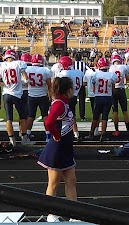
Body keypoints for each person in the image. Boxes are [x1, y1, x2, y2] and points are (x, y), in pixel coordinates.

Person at [37, 77, 78, 223]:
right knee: (53, 183)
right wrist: (56, 135)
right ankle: (51, 215)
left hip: (66, 149)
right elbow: (48, 122)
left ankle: (75, 215)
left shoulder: (64, 102)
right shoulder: (60, 104)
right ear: (68, 90)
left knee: (71, 181)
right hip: (57, 149)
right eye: (72, 87)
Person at [0, 49, 32, 146]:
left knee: (9, 118)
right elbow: (26, 79)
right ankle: (24, 138)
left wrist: (5, 85)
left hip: (6, 94)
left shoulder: (1, 65)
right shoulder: (19, 63)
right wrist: (22, 82)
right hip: (17, 94)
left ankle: (12, 140)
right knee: (22, 116)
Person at [88, 57, 117, 142]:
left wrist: (97, 93)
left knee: (95, 117)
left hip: (98, 97)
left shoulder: (95, 75)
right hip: (107, 97)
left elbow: (93, 89)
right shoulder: (112, 75)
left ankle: (91, 133)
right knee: (105, 117)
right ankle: (103, 135)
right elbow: (113, 88)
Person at [25, 54, 52, 142]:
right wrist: (50, 95)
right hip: (42, 95)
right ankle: (48, 135)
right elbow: (49, 85)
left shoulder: (27, 69)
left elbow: (25, 82)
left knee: (30, 116)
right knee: (45, 116)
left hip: (31, 95)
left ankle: (27, 135)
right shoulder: (45, 70)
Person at [56, 56, 84, 141]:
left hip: (66, 97)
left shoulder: (64, 74)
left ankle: (64, 133)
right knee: (71, 115)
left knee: (61, 116)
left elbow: (57, 84)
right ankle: (75, 133)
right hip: (74, 95)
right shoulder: (79, 72)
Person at [109, 54, 129, 137]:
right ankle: (128, 129)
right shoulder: (124, 67)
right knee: (125, 111)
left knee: (115, 111)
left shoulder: (111, 68)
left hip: (114, 90)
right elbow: (127, 78)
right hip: (121, 89)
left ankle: (116, 130)